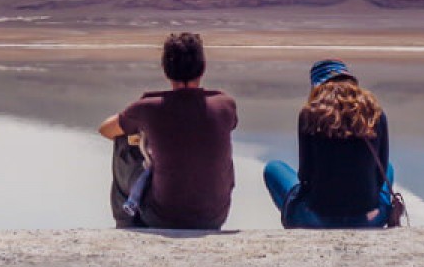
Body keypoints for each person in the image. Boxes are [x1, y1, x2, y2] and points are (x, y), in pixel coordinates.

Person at [98, 32, 237, 229]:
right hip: (215, 217)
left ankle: (126, 220)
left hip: (163, 218)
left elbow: (106, 129)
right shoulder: (226, 105)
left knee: (123, 140)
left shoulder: (148, 107)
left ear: (165, 69)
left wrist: (142, 131)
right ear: (203, 67)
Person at [262, 59, 395, 228]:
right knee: (388, 168)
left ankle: (299, 219)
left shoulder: (309, 115)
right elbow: (380, 170)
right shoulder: (375, 113)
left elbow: (305, 176)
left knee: (274, 168)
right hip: (370, 217)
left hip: (316, 219)